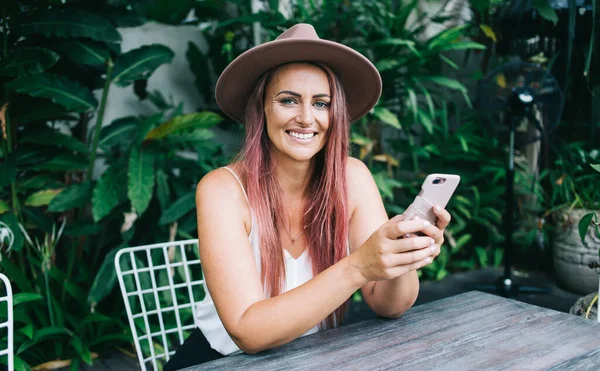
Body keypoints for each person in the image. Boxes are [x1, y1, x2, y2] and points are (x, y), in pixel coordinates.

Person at [164, 23, 451, 370]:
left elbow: (389, 305)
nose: (305, 118)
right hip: (222, 362)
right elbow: (248, 332)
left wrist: (404, 253)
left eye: (321, 103)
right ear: (262, 110)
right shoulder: (221, 190)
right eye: (288, 100)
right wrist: (358, 266)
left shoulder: (352, 177)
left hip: (313, 358)